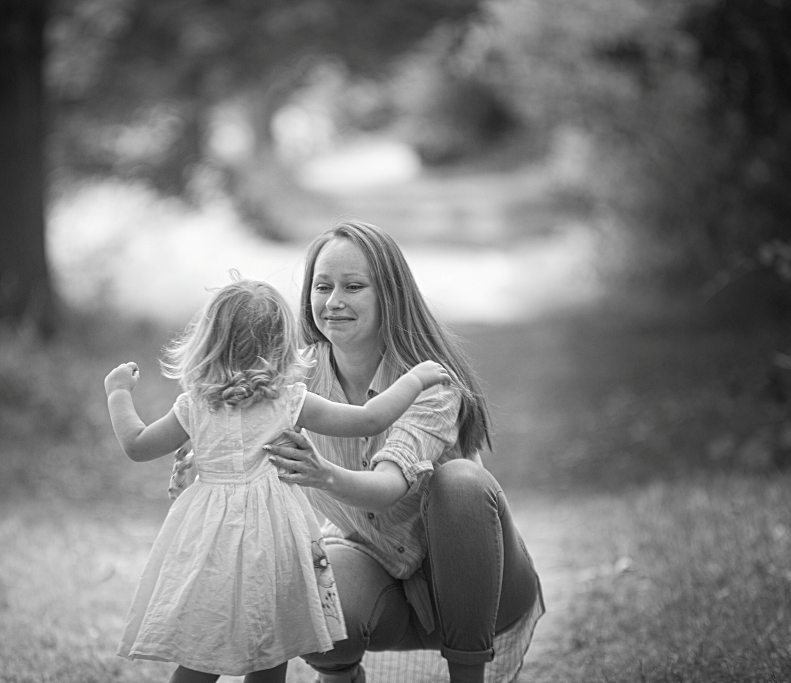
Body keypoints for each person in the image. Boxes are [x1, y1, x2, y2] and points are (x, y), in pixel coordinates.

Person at [104, 277, 457, 683]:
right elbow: (370, 419)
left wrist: (118, 392)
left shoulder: (194, 407)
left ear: (208, 342)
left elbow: (137, 445)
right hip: (272, 542)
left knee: (204, 644)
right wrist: (416, 379)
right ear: (281, 345)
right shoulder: (289, 401)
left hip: (210, 543)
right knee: (272, 644)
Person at [257, 221, 544, 683]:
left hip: (475, 586)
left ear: (389, 295)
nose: (334, 301)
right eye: (323, 286)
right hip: (373, 570)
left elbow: (388, 486)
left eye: (353, 286)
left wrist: (322, 474)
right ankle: (339, 674)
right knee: (309, 584)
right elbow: (238, 427)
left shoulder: (430, 382)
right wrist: (204, 453)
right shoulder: (290, 381)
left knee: (461, 483)